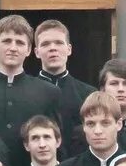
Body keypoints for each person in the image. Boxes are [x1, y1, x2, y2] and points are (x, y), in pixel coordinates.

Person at [0, 15, 59, 166]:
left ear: (28, 50)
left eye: (19, 42)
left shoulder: (49, 92)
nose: (13, 48)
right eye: (6, 41)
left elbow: (57, 143)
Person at [33, 19, 93, 152]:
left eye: (59, 43)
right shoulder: (27, 92)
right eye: (46, 44)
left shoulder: (88, 94)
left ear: (69, 49)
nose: (53, 48)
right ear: (37, 52)